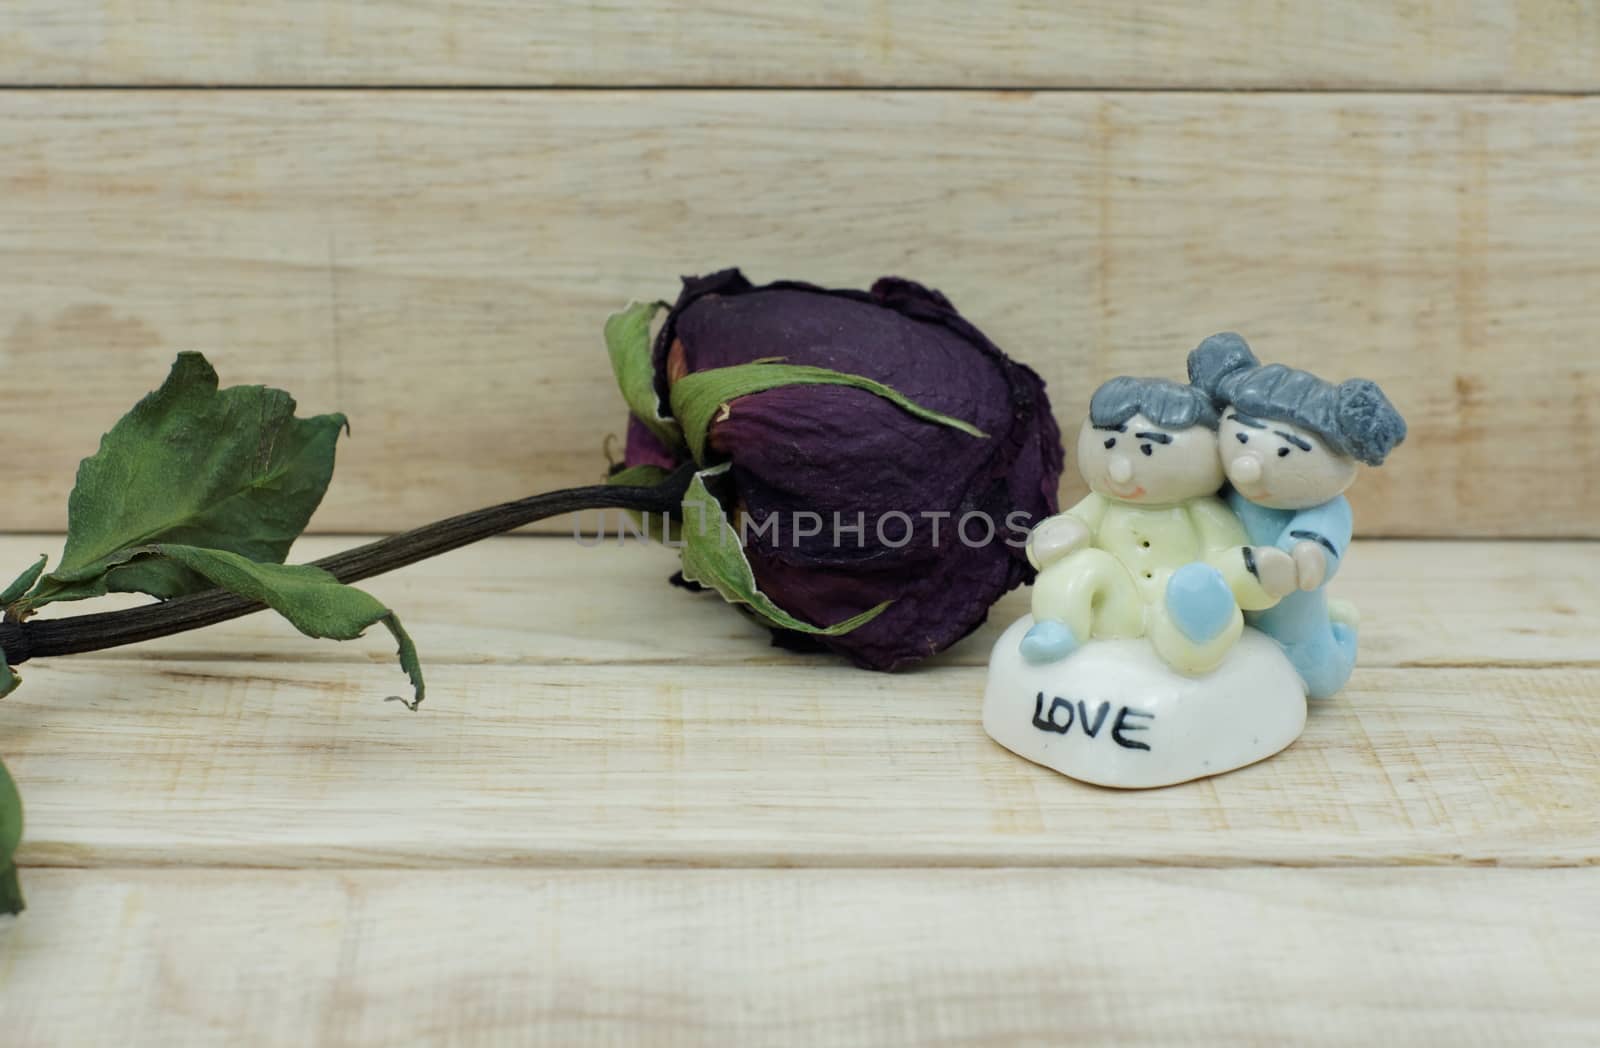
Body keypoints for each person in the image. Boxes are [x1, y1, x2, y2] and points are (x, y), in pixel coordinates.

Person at [1024, 375, 1297, 676]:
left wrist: (1250, 573)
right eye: (1110, 444)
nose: (1121, 471)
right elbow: (1062, 529)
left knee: (1203, 586)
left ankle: (1196, 635)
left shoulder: (1204, 513)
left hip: (1173, 605)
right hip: (1118, 606)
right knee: (1079, 564)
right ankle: (1058, 627)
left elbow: (1224, 555)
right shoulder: (1100, 505)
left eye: (1147, 449)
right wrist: (1054, 540)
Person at [1187, 333, 1406, 698]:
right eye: (1241, 440)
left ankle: (1341, 631)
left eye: (1286, 452)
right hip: (1223, 586)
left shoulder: (1323, 508)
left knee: (1320, 677)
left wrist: (1307, 556)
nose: (1247, 468)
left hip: (1288, 608)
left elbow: (1316, 541)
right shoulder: (1222, 488)